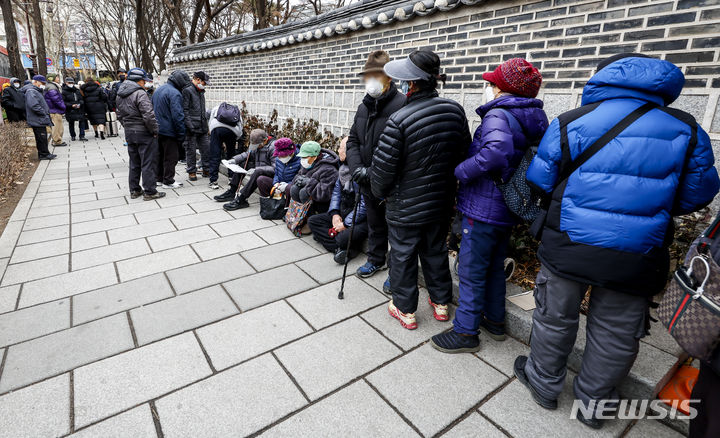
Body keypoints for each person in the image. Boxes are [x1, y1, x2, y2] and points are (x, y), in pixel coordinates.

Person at [514, 53, 720, 429]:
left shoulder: (572, 120)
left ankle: (543, 384)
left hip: (569, 242)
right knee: (617, 329)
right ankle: (594, 405)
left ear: (602, 80)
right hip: (638, 249)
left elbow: (540, 179)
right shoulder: (687, 129)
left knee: (554, 316)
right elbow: (698, 194)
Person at [430, 58, 548, 353]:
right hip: (507, 203)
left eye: (491, 83)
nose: (488, 88)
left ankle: (465, 332)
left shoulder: (499, 114)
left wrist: (461, 170)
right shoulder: (535, 116)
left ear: (501, 89)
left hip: (484, 205)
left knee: (471, 268)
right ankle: (494, 322)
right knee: (495, 265)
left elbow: (495, 153)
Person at [371, 49, 471, 330]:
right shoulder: (455, 110)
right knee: (435, 250)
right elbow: (464, 154)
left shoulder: (399, 120)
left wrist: (379, 190)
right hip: (440, 202)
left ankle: (405, 310)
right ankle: (441, 304)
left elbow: (382, 172)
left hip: (406, 205)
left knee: (402, 255)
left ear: (412, 84)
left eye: (404, 81)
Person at [347, 50, 406, 280]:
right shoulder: (364, 106)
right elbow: (353, 140)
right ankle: (375, 259)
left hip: (392, 182)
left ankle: (396, 271)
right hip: (367, 180)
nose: (370, 80)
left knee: (396, 230)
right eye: (368, 75)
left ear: (389, 77)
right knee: (374, 223)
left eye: (376, 75)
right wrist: (357, 169)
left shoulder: (403, 104)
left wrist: (375, 172)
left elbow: (403, 150)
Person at [308, 137, 368, 264]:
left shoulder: (360, 174)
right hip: (344, 212)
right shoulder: (343, 169)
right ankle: (341, 250)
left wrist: (345, 224)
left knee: (342, 238)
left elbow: (364, 205)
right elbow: (336, 193)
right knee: (313, 221)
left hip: (360, 220)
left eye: (341, 148)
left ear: (349, 153)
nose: (338, 150)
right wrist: (335, 214)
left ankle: (344, 248)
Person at [116, 68, 164, 201]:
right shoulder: (140, 93)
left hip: (130, 132)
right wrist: (154, 130)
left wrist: (127, 126)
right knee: (148, 162)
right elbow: (148, 115)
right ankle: (150, 191)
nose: (146, 84)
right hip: (144, 132)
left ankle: (135, 190)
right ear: (139, 81)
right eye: (144, 81)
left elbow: (119, 114)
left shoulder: (120, 93)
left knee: (134, 162)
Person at [217, 129, 275, 209]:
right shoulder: (258, 143)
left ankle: (242, 199)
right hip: (260, 168)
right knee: (243, 163)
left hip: (270, 175)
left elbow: (275, 168)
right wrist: (234, 160)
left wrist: (256, 169)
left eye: (258, 145)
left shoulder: (273, 147)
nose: (256, 147)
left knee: (257, 172)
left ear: (265, 140)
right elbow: (248, 154)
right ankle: (232, 191)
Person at [153, 70, 190, 189]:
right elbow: (178, 115)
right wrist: (181, 134)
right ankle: (168, 181)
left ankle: (158, 178)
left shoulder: (158, 89)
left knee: (159, 155)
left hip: (157, 128)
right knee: (171, 157)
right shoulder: (175, 93)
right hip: (169, 130)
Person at [289, 141, 340, 214]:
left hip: (323, 203)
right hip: (312, 196)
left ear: (315, 157)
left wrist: (308, 182)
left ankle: (311, 216)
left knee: (304, 193)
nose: (302, 159)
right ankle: (301, 215)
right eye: (302, 157)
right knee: (294, 189)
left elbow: (325, 193)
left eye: (305, 157)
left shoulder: (328, 168)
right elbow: (299, 175)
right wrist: (299, 179)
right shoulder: (309, 163)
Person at [206, 103, 244, 190]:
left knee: (215, 154)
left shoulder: (216, 107)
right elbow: (240, 125)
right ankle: (231, 178)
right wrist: (236, 138)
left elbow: (211, 121)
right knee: (231, 154)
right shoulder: (236, 110)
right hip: (232, 131)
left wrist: (212, 133)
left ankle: (213, 181)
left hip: (217, 129)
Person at [182, 71, 210, 181]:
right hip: (191, 127)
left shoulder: (201, 91)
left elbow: (203, 110)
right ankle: (192, 171)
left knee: (206, 148)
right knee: (191, 150)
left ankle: (206, 169)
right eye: (204, 82)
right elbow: (185, 110)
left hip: (202, 125)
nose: (205, 85)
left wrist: (206, 126)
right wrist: (190, 126)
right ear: (197, 79)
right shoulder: (187, 90)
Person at [21, 75, 56, 160]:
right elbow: (34, 105)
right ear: (35, 82)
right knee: (41, 137)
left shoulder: (35, 90)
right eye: (42, 83)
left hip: (39, 118)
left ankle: (45, 153)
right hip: (37, 119)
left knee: (42, 137)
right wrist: (43, 113)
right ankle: (43, 154)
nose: (43, 85)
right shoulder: (31, 91)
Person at [61, 77, 88, 142]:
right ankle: (73, 136)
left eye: (72, 82)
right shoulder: (63, 91)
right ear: (66, 83)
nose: (71, 84)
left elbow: (81, 99)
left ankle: (82, 135)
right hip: (70, 110)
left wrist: (80, 104)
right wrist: (71, 105)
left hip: (79, 109)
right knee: (71, 123)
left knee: (81, 122)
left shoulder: (76, 90)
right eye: (69, 83)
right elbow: (63, 102)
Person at [44, 74, 67, 147]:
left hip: (54, 109)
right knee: (57, 126)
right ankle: (57, 141)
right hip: (54, 110)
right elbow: (56, 100)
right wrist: (63, 107)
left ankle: (57, 140)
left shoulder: (52, 86)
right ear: (52, 78)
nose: (58, 78)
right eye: (57, 77)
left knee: (58, 126)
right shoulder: (52, 87)